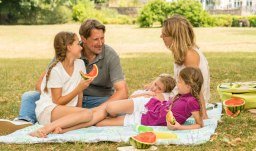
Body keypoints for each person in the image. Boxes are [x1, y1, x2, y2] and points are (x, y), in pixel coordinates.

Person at [0, 19, 129, 135]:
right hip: (64, 99)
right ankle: (24, 122)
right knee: (30, 96)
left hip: (97, 99)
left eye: (102, 38)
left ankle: (66, 124)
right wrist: (60, 95)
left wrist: (102, 108)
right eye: (96, 39)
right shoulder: (66, 54)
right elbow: (41, 84)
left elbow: (122, 91)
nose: (100, 43)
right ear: (83, 39)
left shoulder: (109, 55)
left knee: (120, 108)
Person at [54, 72, 183, 133]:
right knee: (109, 109)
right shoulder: (144, 92)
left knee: (98, 123)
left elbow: (166, 98)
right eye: (155, 84)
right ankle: (64, 124)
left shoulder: (165, 96)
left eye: (159, 88)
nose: (155, 88)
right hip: (136, 106)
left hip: (138, 117)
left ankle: (65, 129)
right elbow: (132, 97)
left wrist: (156, 94)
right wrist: (146, 93)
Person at [29, 32, 93, 138]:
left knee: (90, 116)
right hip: (49, 110)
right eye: (78, 44)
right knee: (88, 114)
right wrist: (79, 89)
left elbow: (80, 93)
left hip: (66, 111)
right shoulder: (56, 70)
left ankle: (61, 130)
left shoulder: (80, 64)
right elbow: (57, 101)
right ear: (69, 47)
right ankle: (45, 129)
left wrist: (79, 112)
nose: (81, 47)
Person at [98, 67, 204, 130]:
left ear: (189, 86)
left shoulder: (192, 102)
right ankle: (90, 113)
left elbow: (199, 124)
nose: (177, 83)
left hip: (146, 119)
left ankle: (88, 116)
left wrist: (179, 127)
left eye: (180, 81)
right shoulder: (181, 94)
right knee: (110, 108)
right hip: (150, 105)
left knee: (100, 123)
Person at [161, 15, 210, 119]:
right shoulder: (185, 52)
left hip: (188, 104)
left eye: (164, 34)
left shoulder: (190, 55)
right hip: (181, 98)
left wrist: (203, 114)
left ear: (175, 37)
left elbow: (195, 86)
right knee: (142, 95)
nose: (161, 36)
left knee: (140, 102)